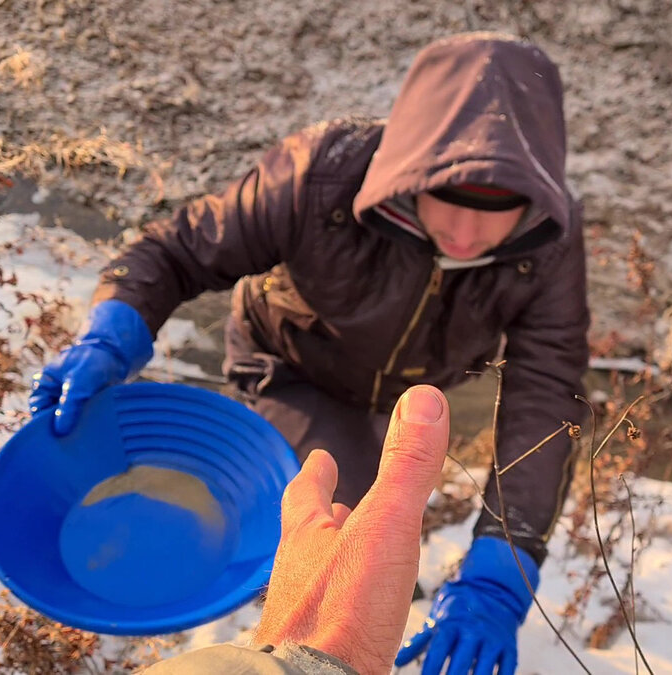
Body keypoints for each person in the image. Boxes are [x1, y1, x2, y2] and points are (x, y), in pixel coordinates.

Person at [29, 32, 590, 674]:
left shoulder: (550, 238)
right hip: (292, 364)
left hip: (408, 394)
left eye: (495, 211)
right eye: (449, 201)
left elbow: (545, 388)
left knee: (374, 523)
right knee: (330, 546)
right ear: (413, 171)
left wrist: (502, 564)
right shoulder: (323, 173)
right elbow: (177, 250)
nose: (465, 236)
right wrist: (111, 334)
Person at [141, 384, 451, 675]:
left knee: (344, 515)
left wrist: (492, 531)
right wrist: (307, 663)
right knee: (338, 507)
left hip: (393, 390)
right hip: (294, 381)